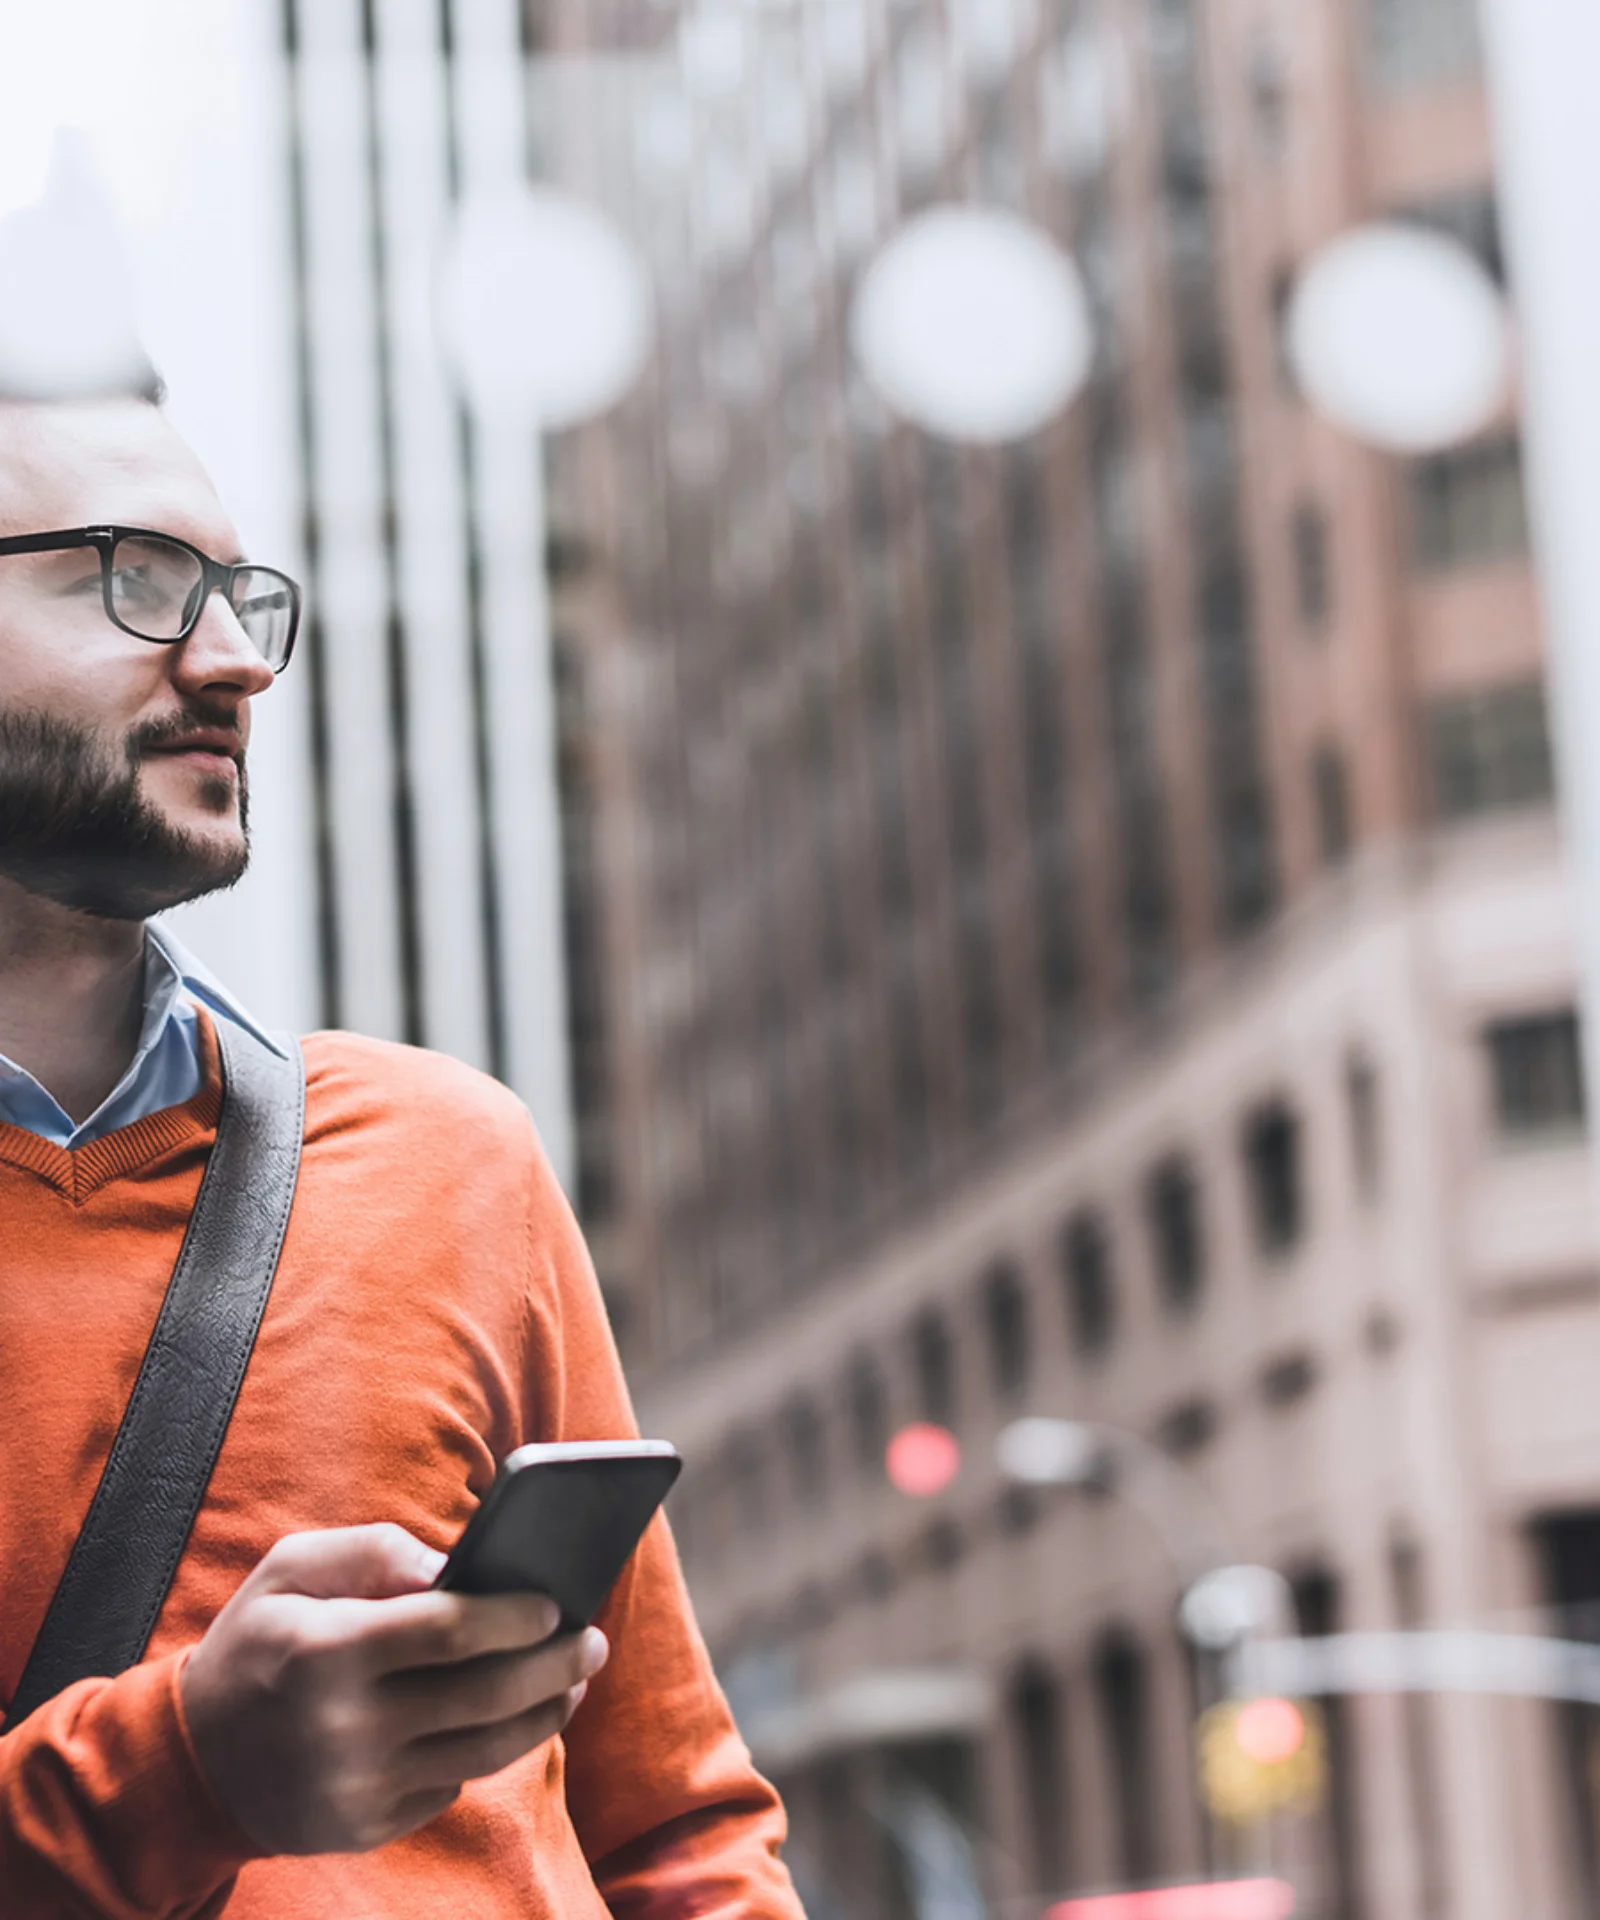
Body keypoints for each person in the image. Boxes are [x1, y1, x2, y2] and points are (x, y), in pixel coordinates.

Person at [0, 393, 803, 1918]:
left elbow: (684, 1836)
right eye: (132, 576)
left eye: (238, 597)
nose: (233, 661)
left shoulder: (453, 1154)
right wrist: (184, 1774)